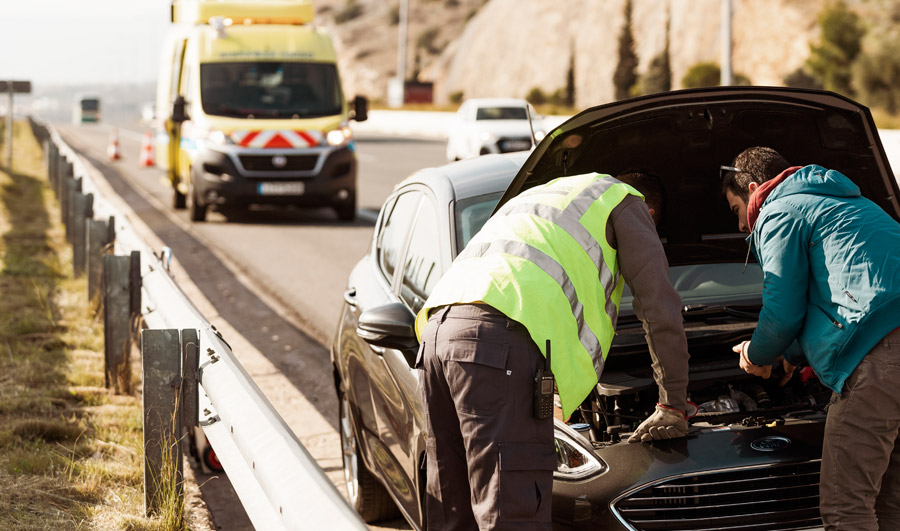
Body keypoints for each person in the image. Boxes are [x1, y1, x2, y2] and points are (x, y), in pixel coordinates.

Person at [414, 171, 691, 530]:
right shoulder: (625, 201)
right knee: (511, 515)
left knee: (452, 513)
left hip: (437, 336)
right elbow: (659, 308)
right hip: (495, 348)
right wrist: (673, 402)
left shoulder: (546, 198)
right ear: (650, 215)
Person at [721, 146, 900, 531]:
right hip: (890, 349)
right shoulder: (854, 204)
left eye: (737, 210)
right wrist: (792, 354)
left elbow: (782, 311)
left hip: (880, 361)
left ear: (754, 189)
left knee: (846, 508)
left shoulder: (779, 210)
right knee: (890, 503)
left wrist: (757, 353)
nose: (740, 226)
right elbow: (839, 300)